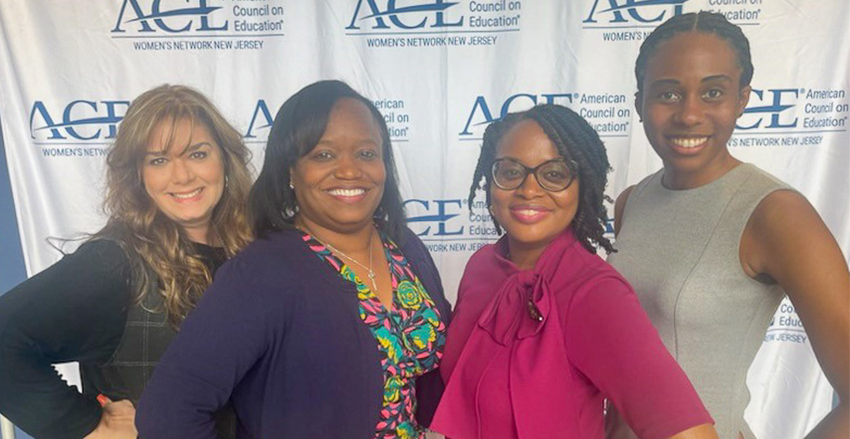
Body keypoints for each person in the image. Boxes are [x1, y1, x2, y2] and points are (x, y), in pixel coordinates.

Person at [136, 80, 451, 438]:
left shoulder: (404, 247)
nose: (349, 171)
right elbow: (169, 413)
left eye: (366, 153)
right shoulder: (261, 274)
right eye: (323, 155)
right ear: (290, 171)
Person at [606, 11, 849, 438]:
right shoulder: (632, 201)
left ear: (742, 99)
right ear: (639, 102)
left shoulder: (774, 213)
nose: (690, 115)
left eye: (713, 92)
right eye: (668, 94)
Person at [430, 104, 718, 439]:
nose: (529, 189)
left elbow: (690, 433)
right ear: (489, 182)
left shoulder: (594, 294)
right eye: (510, 171)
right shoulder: (481, 266)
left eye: (554, 174)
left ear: (583, 186)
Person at [0, 84, 253, 438]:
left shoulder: (256, 254)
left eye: (197, 154)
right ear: (138, 173)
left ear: (225, 159)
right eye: (159, 160)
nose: (182, 176)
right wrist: (84, 425)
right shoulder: (114, 263)